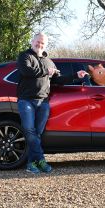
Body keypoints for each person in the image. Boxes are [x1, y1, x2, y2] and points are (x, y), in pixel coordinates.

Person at [17, 32, 88, 174]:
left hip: (43, 102)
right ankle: (41, 159)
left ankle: (32, 163)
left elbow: (58, 79)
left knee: (37, 133)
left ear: (45, 45)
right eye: (38, 42)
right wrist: (46, 71)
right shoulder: (25, 56)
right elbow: (27, 71)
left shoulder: (49, 61)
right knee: (29, 131)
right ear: (32, 41)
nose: (39, 45)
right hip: (26, 100)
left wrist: (75, 76)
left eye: (42, 43)